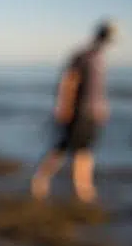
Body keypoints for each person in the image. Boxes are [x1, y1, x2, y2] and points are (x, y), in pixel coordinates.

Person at [30, 19, 117, 202]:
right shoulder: (82, 55)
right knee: (64, 149)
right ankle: (41, 180)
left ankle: (84, 188)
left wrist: (103, 106)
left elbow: (97, 87)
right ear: (100, 35)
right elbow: (69, 80)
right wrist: (64, 106)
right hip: (79, 112)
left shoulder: (100, 57)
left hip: (92, 112)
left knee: (84, 150)